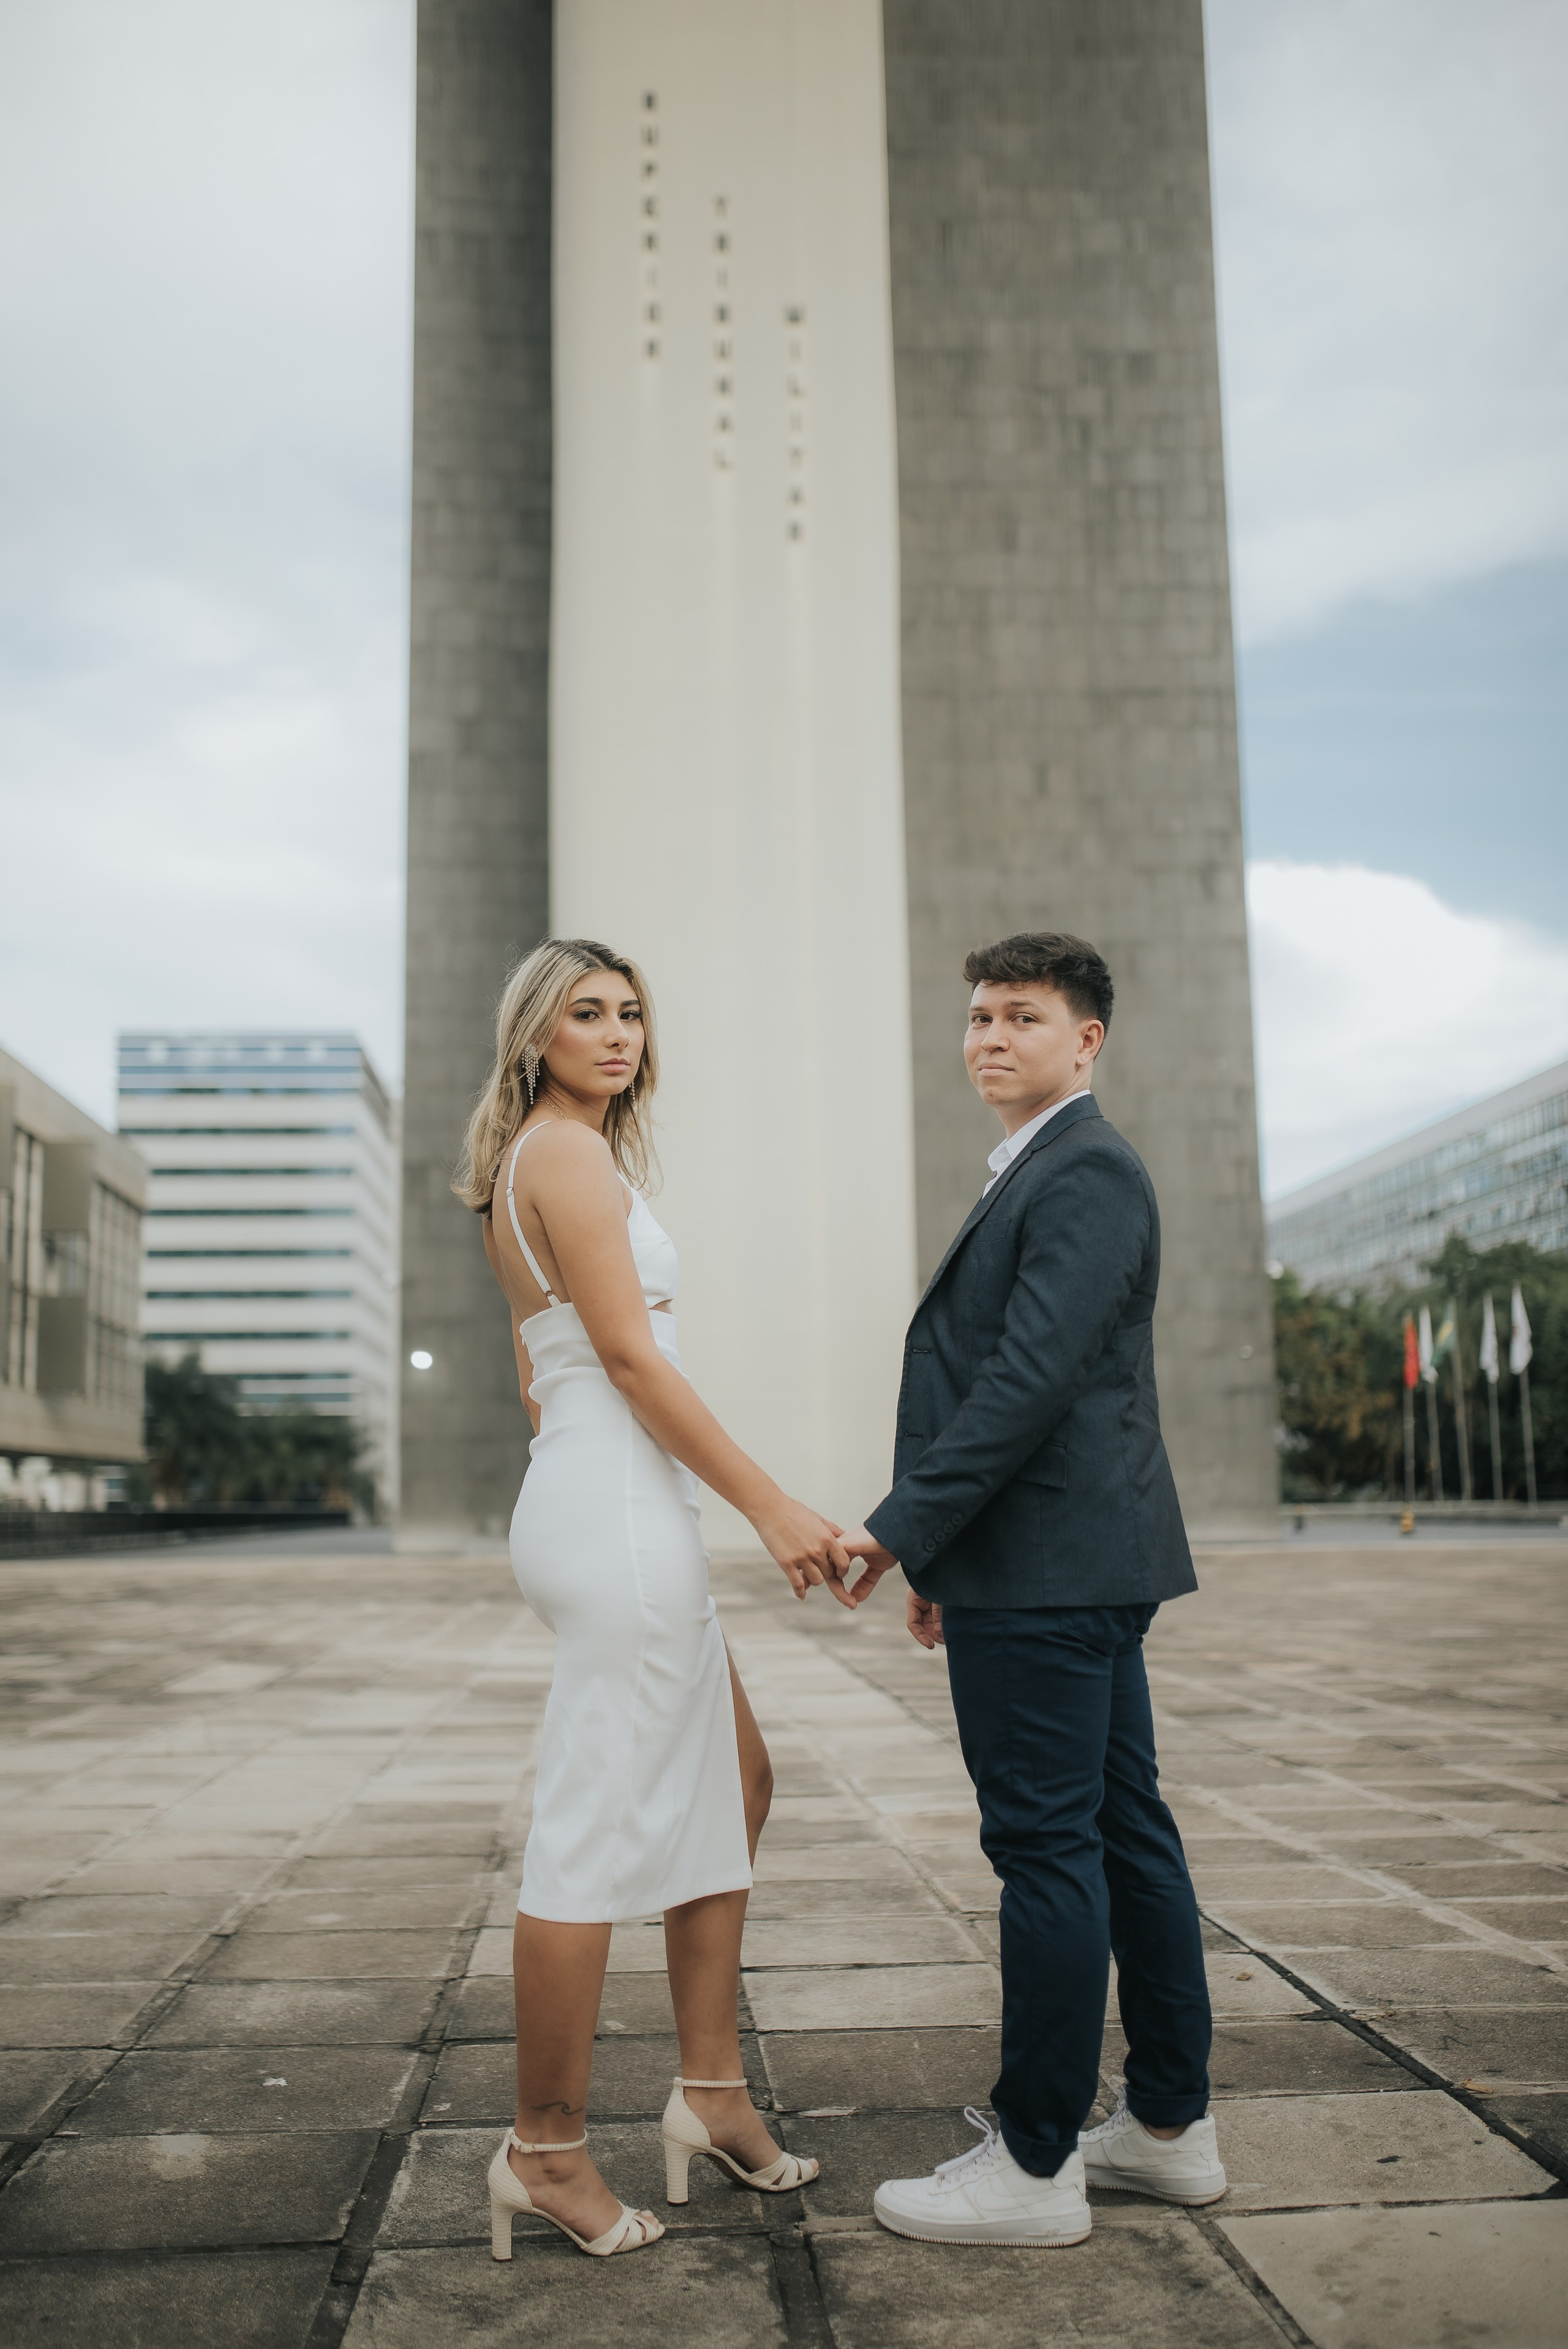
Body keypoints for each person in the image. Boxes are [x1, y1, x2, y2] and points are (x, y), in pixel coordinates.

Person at [454, 937, 840, 2261]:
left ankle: (711, 2090)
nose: (616, 1033)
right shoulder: (563, 1154)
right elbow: (624, 1354)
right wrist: (771, 1504)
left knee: (733, 1781)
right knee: (585, 1830)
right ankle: (543, 2150)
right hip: (619, 1508)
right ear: (534, 1036)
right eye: (585, 1012)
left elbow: (538, 1371)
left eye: (630, 1012)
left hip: (600, 1495)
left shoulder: (540, 1164)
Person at [839, 931, 1226, 2246]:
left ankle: (1036, 2160)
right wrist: (956, 1560)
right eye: (977, 1017)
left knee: (1048, 1856)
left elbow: (1024, 1385)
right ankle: (1167, 2129)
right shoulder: (1047, 1168)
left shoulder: (1083, 1171)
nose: (989, 1036)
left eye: (1020, 1015)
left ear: (1085, 1040)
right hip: (1055, 1563)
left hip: (1054, 1572)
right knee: (1123, 1836)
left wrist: (898, 1531)